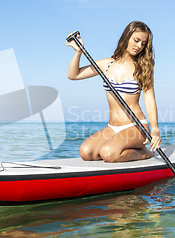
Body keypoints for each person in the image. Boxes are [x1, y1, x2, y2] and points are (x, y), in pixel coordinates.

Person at [66, 21, 161, 163]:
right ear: (126, 37)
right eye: (136, 40)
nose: (139, 46)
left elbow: (149, 100)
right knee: (86, 152)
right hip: (112, 127)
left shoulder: (142, 68)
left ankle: (145, 153)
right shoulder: (106, 64)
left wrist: (154, 130)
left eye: (143, 43)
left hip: (136, 126)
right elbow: (74, 75)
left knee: (108, 153)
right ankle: (122, 148)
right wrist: (78, 52)